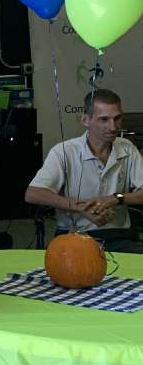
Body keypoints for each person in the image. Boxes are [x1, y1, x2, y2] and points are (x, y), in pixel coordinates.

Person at [25, 88, 143, 253]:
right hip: (72, 237)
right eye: (104, 119)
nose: (113, 126)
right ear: (85, 120)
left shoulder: (127, 148)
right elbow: (33, 193)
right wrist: (81, 208)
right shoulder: (64, 151)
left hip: (119, 237)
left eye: (117, 118)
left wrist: (115, 198)